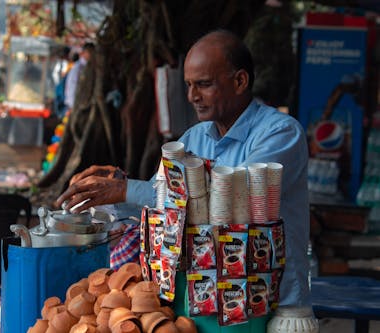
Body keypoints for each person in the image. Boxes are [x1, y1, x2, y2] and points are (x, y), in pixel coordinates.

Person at [56, 29, 310, 307]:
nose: (192, 96)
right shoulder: (194, 138)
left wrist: (126, 189)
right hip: (205, 301)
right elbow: (159, 201)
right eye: (188, 85)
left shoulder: (281, 134)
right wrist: (114, 191)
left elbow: (230, 204)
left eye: (203, 84)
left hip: (274, 304)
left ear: (240, 81)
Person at [63, 42, 95, 111]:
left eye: (93, 52)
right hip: (76, 105)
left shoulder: (89, 67)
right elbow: (72, 87)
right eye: (90, 52)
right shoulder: (78, 68)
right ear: (83, 53)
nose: (92, 55)